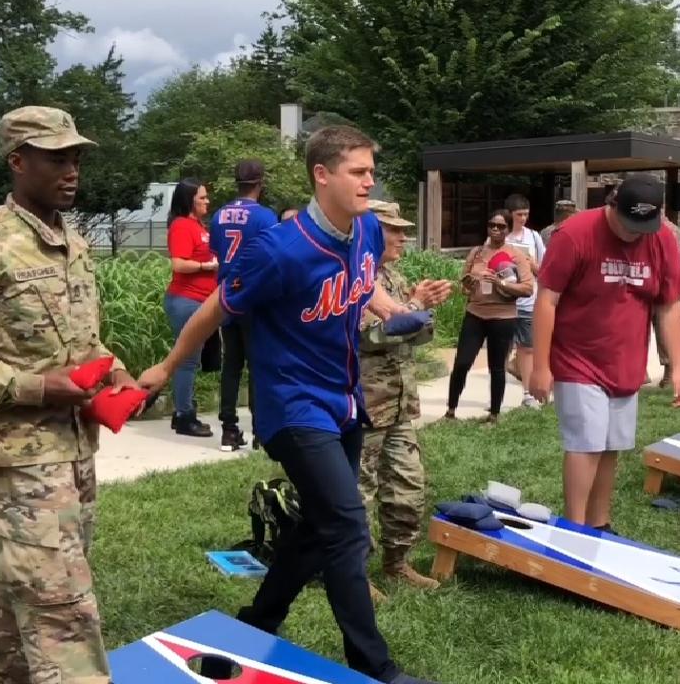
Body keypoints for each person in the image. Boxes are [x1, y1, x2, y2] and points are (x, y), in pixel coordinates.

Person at [136, 125, 449, 684]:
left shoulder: (368, 230)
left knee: (317, 525)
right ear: (321, 174)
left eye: (371, 171)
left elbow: (362, 283)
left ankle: (259, 620)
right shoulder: (279, 251)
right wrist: (165, 368)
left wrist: (393, 311)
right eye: (358, 171)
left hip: (344, 401)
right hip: (291, 405)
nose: (369, 181)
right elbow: (214, 310)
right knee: (348, 524)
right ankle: (376, 668)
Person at [0, 105, 140, 684]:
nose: (71, 170)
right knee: (60, 603)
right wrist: (38, 388)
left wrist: (111, 367)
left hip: (74, 446)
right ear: (18, 162)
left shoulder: (74, 241)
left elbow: (80, 338)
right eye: (55, 158)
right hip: (17, 452)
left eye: (75, 158)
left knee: (30, 582)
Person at [529, 173, 680, 532]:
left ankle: (599, 524)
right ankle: (574, 528)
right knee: (586, 442)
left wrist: (677, 366)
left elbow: (668, 305)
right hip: (577, 357)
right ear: (612, 204)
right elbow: (547, 300)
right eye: (629, 223)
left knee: (610, 443)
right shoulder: (574, 234)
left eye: (642, 226)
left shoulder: (661, 237)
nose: (634, 233)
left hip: (625, 361)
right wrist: (541, 366)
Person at [358, 199, 452, 595]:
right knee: (357, 495)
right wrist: (414, 308)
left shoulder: (393, 278)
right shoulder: (355, 278)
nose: (402, 236)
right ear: (367, 232)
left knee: (408, 487)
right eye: (392, 229)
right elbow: (368, 334)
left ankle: (397, 563)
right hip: (365, 406)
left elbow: (417, 334)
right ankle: (354, 574)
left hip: (398, 404)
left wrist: (422, 310)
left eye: (403, 228)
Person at [209, 159, 279, 452]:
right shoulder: (265, 217)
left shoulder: (219, 215)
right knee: (259, 365)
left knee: (232, 366)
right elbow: (275, 257)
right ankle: (261, 431)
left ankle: (228, 429)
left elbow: (216, 254)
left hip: (226, 297)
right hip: (255, 297)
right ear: (260, 184)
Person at [444, 209, 533, 422]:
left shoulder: (516, 255)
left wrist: (500, 282)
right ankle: (450, 411)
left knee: (496, 367)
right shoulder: (476, 253)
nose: (495, 229)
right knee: (462, 363)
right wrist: (470, 282)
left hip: (503, 318)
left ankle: (494, 415)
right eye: (492, 225)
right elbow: (463, 285)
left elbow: (528, 288)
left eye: (501, 226)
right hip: (475, 314)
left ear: (508, 230)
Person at [163, 178, 218, 438]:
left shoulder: (197, 225)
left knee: (190, 361)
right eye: (202, 198)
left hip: (200, 301)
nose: (207, 201)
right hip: (186, 300)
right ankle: (185, 415)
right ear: (189, 201)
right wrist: (207, 267)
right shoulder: (182, 226)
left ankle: (182, 412)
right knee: (186, 361)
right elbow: (179, 264)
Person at [502, 194, 547, 410]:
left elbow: (545, 271)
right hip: (504, 302)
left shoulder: (534, 237)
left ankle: (528, 394)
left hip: (528, 302)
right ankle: (497, 394)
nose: (523, 218)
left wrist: (531, 264)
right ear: (509, 214)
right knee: (501, 348)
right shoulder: (500, 235)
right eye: (519, 214)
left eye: (526, 214)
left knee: (527, 349)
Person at [652, 213, 680, 387]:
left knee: (663, 329)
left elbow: (672, 259)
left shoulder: (669, 230)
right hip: (647, 280)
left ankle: (669, 371)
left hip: (661, 283)